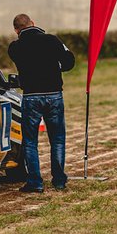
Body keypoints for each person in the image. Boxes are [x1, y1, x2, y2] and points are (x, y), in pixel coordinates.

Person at [7, 13, 75, 193]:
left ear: (16, 30)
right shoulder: (52, 40)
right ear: (33, 23)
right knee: (58, 139)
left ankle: (35, 182)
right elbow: (69, 61)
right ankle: (59, 180)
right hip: (54, 95)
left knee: (30, 142)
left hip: (31, 96)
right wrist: (55, 66)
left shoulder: (14, 47)